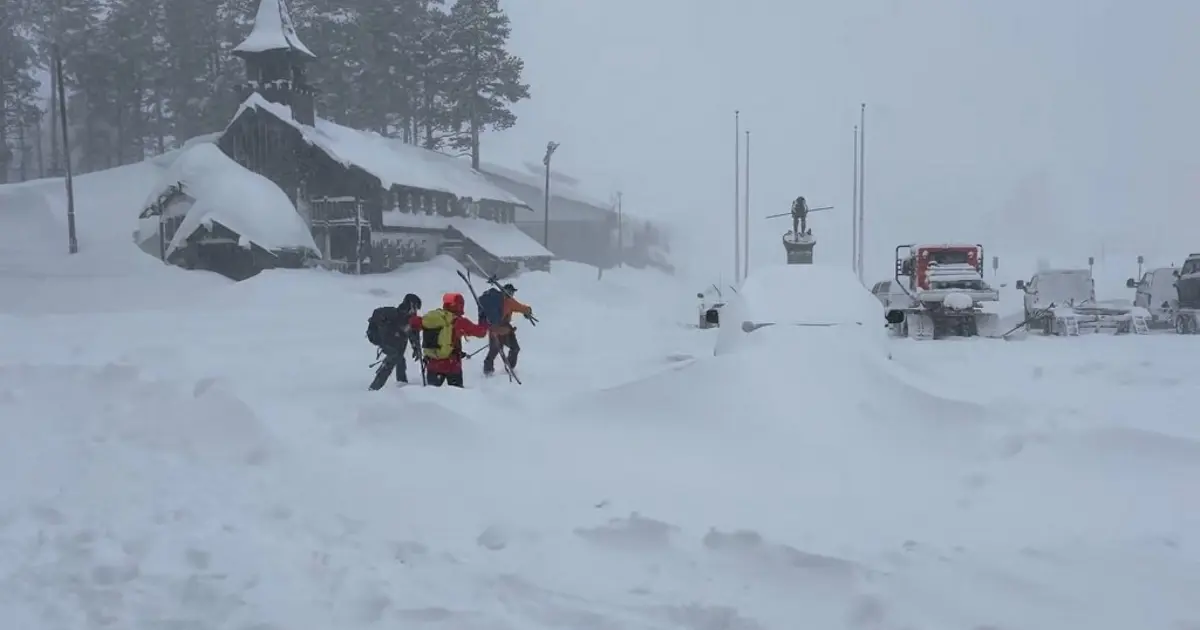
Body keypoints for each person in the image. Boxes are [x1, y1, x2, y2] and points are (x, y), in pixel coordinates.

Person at [410, 292, 488, 388]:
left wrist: (412, 314)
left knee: (432, 396)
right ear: (460, 306)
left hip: (432, 364)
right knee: (456, 397)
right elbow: (481, 332)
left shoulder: (431, 318)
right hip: (452, 366)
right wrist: (483, 318)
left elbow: (413, 322)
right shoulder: (458, 321)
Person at [366, 293, 423, 390]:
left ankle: (401, 384)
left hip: (395, 341)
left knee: (399, 358)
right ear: (410, 305)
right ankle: (374, 387)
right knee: (393, 358)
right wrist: (384, 332)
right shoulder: (393, 314)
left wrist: (416, 347)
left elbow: (413, 334)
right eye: (415, 307)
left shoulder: (411, 319)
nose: (415, 311)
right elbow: (377, 317)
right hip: (383, 339)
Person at [480, 283, 533, 377]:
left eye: (512, 292)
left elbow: (520, 307)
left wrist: (527, 310)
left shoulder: (503, 301)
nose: (512, 294)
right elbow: (522, 308)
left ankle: (490, 370)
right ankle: (505, 368)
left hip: (498, 329)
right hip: (502, 329)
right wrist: (528, 310)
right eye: (511, 292)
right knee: (509, 349)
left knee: (496, 350)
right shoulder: (506, 301)